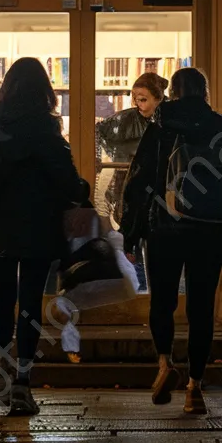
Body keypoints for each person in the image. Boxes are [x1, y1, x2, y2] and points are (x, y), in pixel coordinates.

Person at [122, 67, 222, 415]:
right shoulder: (221, 128)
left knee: (163, 301)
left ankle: (165, 363)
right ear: (205, 93)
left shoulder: (160, 127)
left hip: (164, 228)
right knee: (201, 308)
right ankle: (195, 388)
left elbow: (140, 180)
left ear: (172, 93)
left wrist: (130, 231)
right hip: (211, 231)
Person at [0, 57, 85, 416]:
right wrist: (83, 189)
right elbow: (67, 180)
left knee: (2, 298)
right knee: (29, 304)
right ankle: (23, 381)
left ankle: (2, 375)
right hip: (39, 224)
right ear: (44, 90)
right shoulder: (45, 127)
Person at [96, 71, 167, 289]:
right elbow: (97, 133)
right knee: (131, 253)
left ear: (158, 98)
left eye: (143, 98)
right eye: (135, 98)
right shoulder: (124, 120)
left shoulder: (167, 121)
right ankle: (137, 295)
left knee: (157, 257)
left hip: (157, 195)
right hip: (127, 194)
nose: (137, 103)